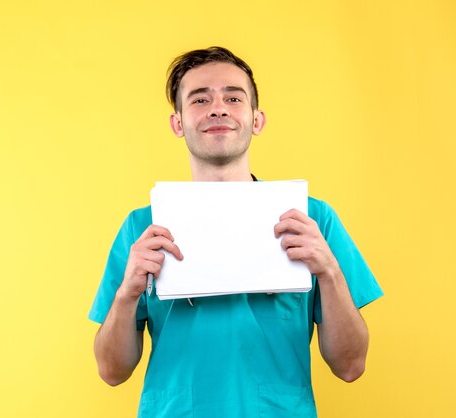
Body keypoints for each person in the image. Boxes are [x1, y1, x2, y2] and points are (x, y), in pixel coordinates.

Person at [89, 46, 383, 417]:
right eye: (199, 99)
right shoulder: (143, 229)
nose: (218, 108)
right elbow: (112, 372)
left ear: (257, 119)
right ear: (177, 123)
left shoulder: (312, 220)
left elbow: (351, 366)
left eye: (233, 97)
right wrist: (127, 293)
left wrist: (330, 271)